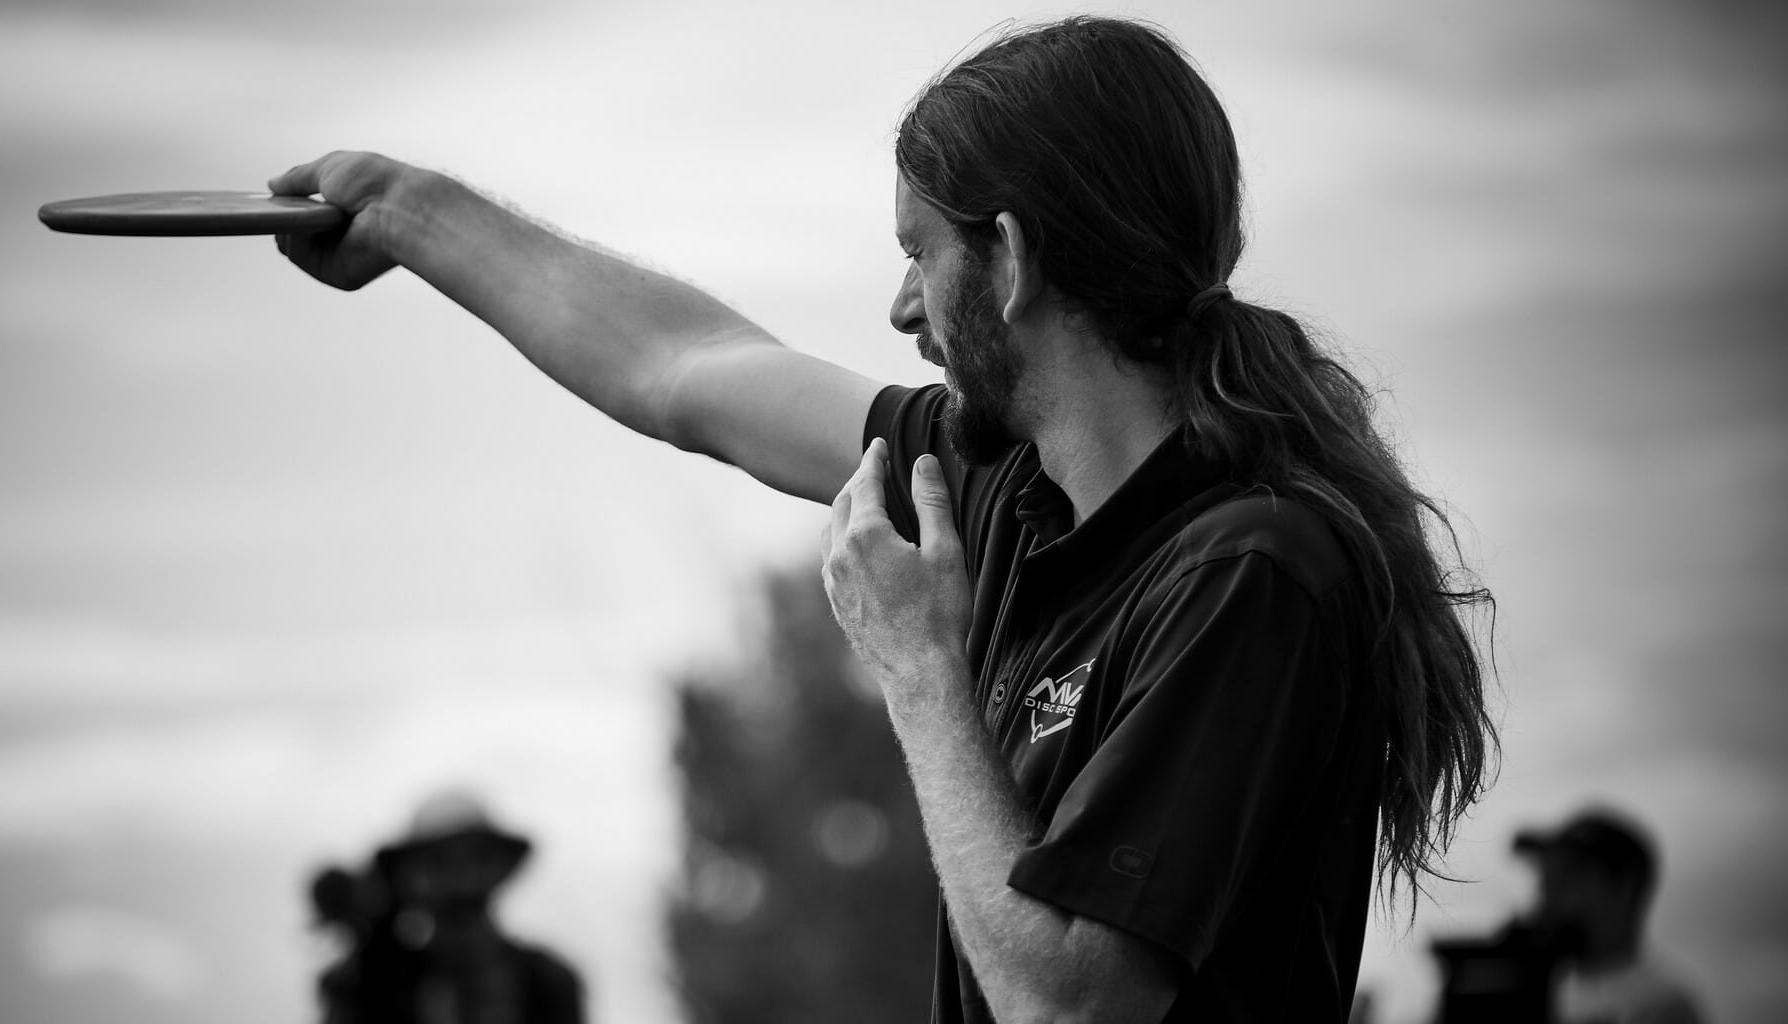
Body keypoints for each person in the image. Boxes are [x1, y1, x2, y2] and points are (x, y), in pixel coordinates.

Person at [269, 16, 1494, 1022]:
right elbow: (687, 371)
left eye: (920, 251)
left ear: (1006, 259)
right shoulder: (1005, 492)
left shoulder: (1249, 569)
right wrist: (411, 212)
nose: (902, 305)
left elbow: (1065, 1009)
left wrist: (916, 668)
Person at [314, 792, 584, 1024]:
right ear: (407, 877)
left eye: (479, 858)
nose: (462, 878)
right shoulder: (371, 983)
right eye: (438, 862)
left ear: (500, 868)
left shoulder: (547, 980)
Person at [1513, 808, 1705, 1024]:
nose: (1546, 899)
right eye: (1545, 881)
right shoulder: (1557, 984)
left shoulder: (1662, 1003)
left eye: (1566, 878)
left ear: (1622, 884)